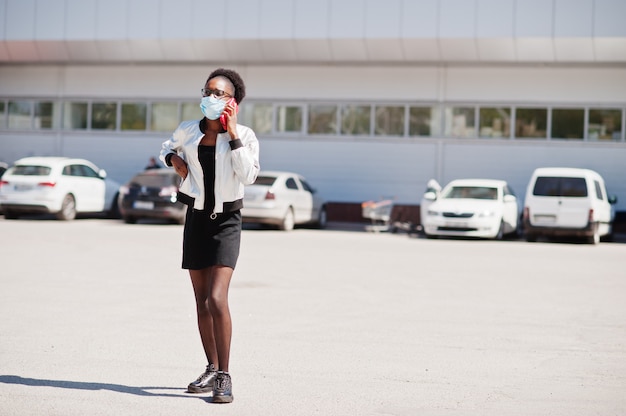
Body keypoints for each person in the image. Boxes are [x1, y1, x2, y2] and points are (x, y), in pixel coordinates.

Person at [159, 68, 260, 403]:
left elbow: (247, 176)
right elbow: (166, 147)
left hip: (227, 222)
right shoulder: (188, 131)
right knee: (201, 302)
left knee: (217, 298)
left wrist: (231, 133)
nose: (210, 98)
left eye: (219, 93)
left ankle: (225, 376)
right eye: (207, 91)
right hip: (196, 220)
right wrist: (173, 158)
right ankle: (211, 367)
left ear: (233, 102)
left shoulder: (245, 135)